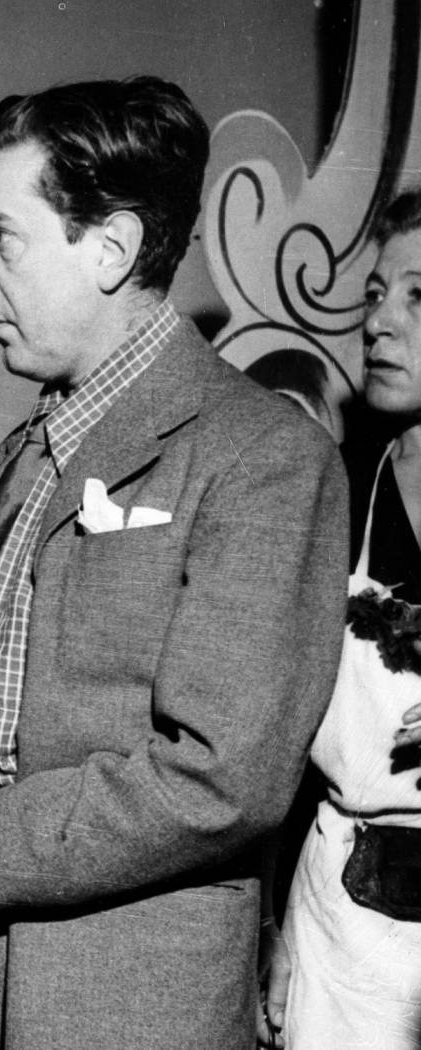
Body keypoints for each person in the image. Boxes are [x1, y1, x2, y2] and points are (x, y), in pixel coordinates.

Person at [0, 76, 348, 1049]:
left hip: (106, 1001)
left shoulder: (262, 457)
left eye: (3, 237)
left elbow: (222, 776)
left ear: (110, 247)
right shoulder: (19, 455)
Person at [261, 188, 421, 1048]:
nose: (380, 324)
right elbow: (273, 745)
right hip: (340, 923)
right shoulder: (334, 489)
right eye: (373, 296)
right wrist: (270, 934)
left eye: (418, 297)